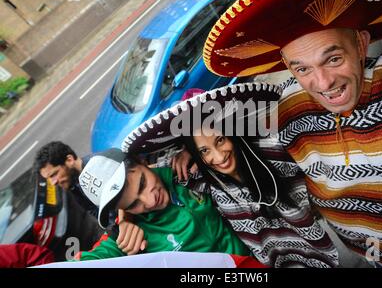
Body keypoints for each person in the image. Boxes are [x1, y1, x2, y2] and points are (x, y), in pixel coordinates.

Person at [201, 0, 382, 267]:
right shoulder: (287, 109)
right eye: (302, 68)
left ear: (360, 43)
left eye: (333, 59)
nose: (323, 83)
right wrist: (188, 151)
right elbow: (235, 145)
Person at [121, 83, 340, 268]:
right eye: (205, 151)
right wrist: (124, 219)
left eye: (220, 140)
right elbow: (136, 183)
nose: (219, 157)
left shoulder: (271, 149)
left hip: (318, 258)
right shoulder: (205, 181)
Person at [74, 148, 254, 261]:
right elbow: (90, 261)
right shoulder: (128, 238)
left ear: (143, 162)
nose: (150, 201)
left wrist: (196, 148)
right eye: (133, 204)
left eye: (143, 184)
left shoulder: (182, 167)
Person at [33, 141, 146, 256]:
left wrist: (123, 221)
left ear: (69, 160)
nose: (53, 182)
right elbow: (96, 213)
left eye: (54, 174)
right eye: (49, 179)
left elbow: (129, 193)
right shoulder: (73, 186)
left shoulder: (102, 166)